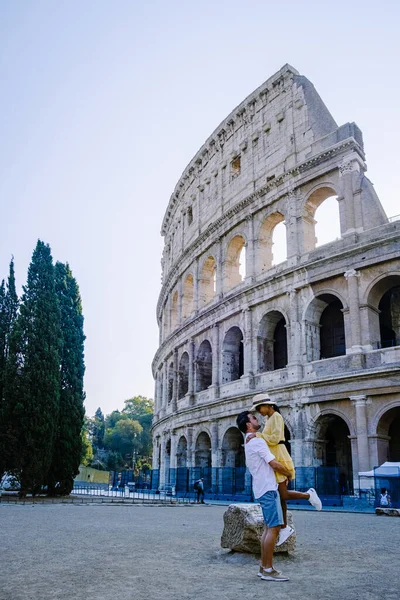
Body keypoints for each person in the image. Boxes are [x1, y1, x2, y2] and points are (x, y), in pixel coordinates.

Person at [247, 394, 322, 546]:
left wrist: (258, 435)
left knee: (283, 494)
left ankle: (308, 495)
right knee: (280, 497)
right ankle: (284, 527)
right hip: (275, 454)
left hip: (279, 455)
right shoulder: (269, 418)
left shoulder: (276, 417)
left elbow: (274, 438)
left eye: (259, 408)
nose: (258, 411)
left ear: (268, 405)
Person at [237, 410, 296, 582]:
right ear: (248, 424)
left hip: (262, 488)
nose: (258, 419)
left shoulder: (250, 440)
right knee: (274, 528)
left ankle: (264, 567)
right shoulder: (256, 442)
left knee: (268, 529)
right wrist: (289, 472)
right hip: (268, 489)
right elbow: (274, 463)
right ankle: (268, 570)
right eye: (254, 418)